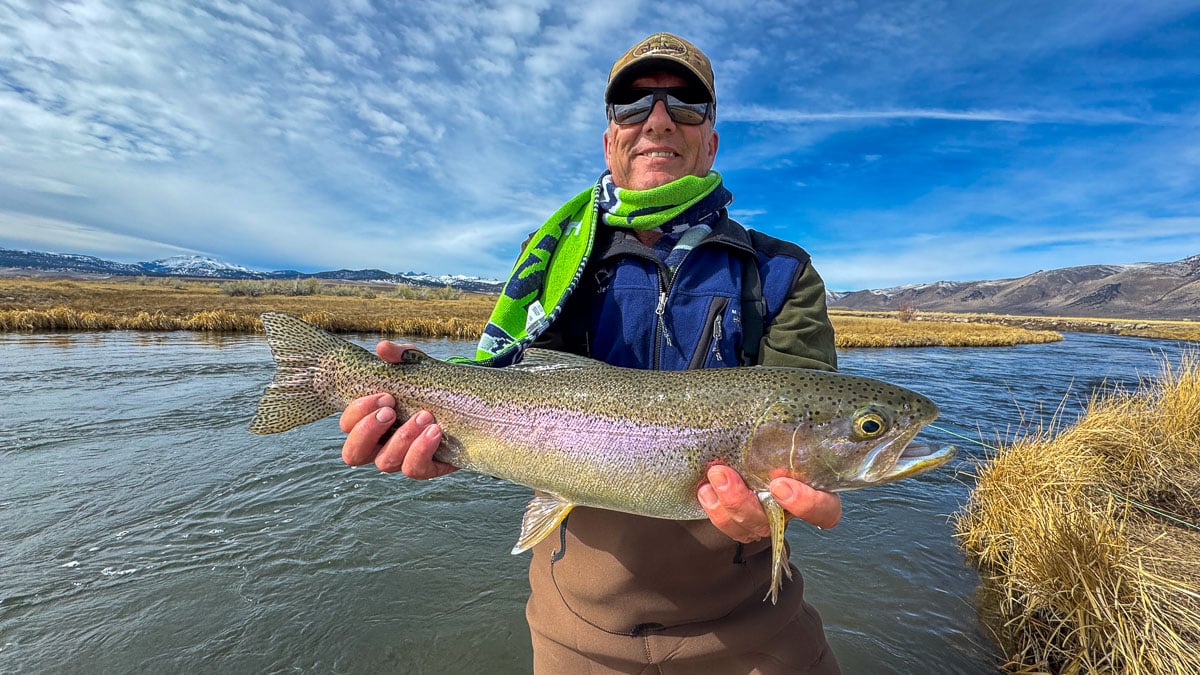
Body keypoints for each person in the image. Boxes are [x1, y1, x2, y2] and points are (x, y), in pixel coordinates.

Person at [339, 33, 843, 673]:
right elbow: (502, 391)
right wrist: (437, 434)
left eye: (685, 104)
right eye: (632, 106)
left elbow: (803, 435)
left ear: (711, 140)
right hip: (575, 635)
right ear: (610, 140)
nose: (658, 119)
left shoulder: (780, 273)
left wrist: (789, 504)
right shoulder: (553, 266)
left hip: (757, 631)